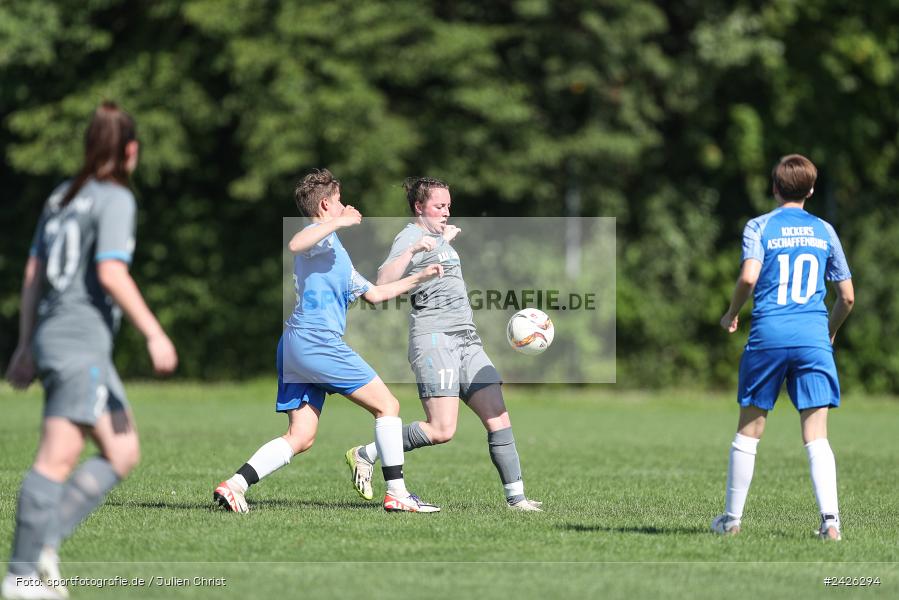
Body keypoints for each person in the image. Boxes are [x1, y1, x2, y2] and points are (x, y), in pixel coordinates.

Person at [3, 102, 179, 600]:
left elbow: (33, 274)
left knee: (122, 450)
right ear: (130, 151)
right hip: (80, 343)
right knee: (57, 457)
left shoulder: (62, 195)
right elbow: (111, 272)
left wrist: (26, 343)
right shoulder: (114, 197)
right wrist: (154, 333)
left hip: (59, 337)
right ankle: (20, 576)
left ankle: (44, 544)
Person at [213, 169, 442, 514]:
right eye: (338, 200)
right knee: (388, 406)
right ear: (324, 205)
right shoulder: (319, 238)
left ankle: (235, 485)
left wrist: (419, 277)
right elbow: (296, 244)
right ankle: (397, 492)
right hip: (316, 342)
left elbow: (375, 294)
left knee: (301, 436)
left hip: (296, 344)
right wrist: (340, 222)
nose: (344, 205)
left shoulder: (335, 250)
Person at [345, 177, 542, 511]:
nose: (446, 212)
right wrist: (414, 249)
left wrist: (442, 241)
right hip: (435, 339)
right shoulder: (410, 236)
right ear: (419, 207)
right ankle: (367, 453)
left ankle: (517, 500)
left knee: (498, 415)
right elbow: (383, 281)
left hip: (468, 340)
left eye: (448, 205)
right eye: (439, 206)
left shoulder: (439, 238)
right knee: (441, 429)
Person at [712, 154, 854, 540]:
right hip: (812, 338)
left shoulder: (760, 226)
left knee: (750, 429)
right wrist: (829, 332)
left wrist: (731, 313)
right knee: (816, 433)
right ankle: (830, 522)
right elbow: (847, 297)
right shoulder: (824, 230)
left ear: (775, 188)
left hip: (769, 336)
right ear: (811, 190)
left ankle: (731, 520)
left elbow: (749, 277)